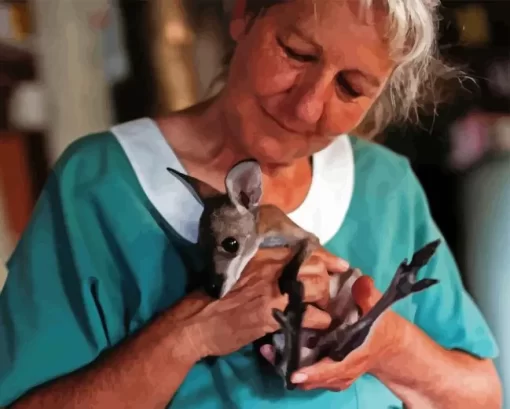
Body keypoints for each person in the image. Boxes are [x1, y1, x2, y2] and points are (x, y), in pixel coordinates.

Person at [0, 0, 503, 408]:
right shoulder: (101, 185)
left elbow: (482, 394)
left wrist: (386, 345)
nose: (307, 105)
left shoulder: (385, 185)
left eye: (350, 88)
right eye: (296, 53)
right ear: (244, 12)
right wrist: (192, 332)